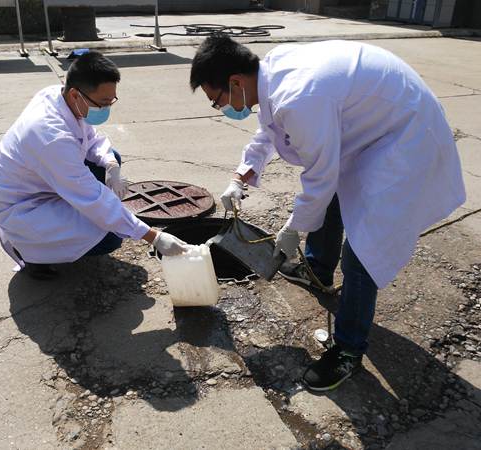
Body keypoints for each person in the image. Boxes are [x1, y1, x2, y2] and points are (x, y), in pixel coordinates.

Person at [190, 35, 465, 391]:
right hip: (375, 126)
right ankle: (317, 268)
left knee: (363, 251)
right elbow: (270, 131)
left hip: (404, 138)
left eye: (217, 100)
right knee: (331, 192)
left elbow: (320, 175)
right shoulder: (273, 75)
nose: (221, 108)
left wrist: (293, 229)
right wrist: (239, 177)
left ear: (236, 82)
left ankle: (348, 350)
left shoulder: (299, 97)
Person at [0, 51, 188, 280]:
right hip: (26, 208)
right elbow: (91, 197)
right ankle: (31, 253)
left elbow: (91, 139)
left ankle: (67, 234)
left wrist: (111, 165)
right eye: (102, 103)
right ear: (75, 94)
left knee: (112, 157)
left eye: (111, 101)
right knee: (111, 236)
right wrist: (153, 236)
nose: (107, 109)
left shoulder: (58, 96)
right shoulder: (50, 136)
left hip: (43, 183)